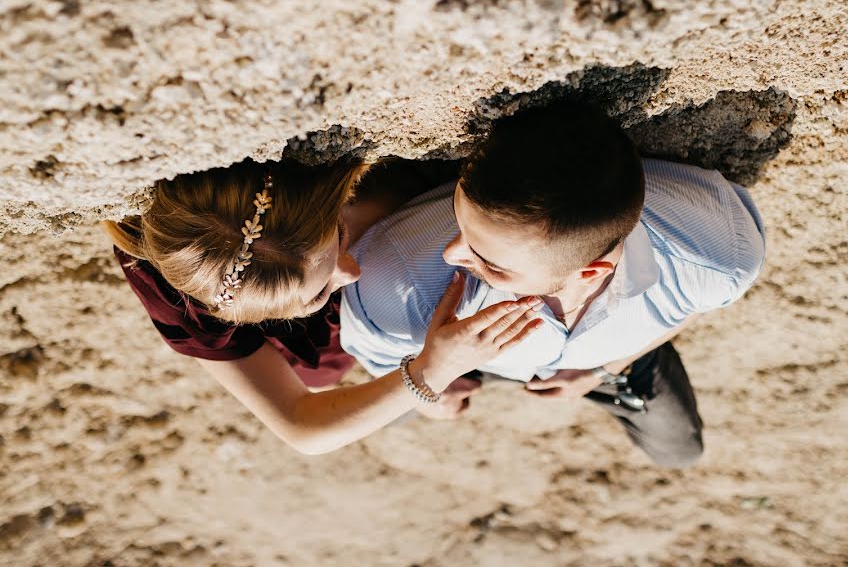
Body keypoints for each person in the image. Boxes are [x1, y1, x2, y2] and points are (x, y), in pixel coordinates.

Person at [340, 102, 766, 468]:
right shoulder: (396, 283)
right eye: (461, 222)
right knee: (385, 413)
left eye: (490, 261)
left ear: (590, 273)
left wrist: (603, 368)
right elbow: (377, 350)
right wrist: (430, 384)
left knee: (680, 451)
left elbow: (698, 302)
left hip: (608, 355)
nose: (453, 253)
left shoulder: (716, 257)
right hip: (446, 351)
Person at [104, 156, 544, 455]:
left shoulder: (315, 184)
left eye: (336, 238)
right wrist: (428, 377)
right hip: (320, 346)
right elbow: (301, 427)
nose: (349, 274)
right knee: (318, 379)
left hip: (397, 260)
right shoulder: (174, 286)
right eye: (315, 293)